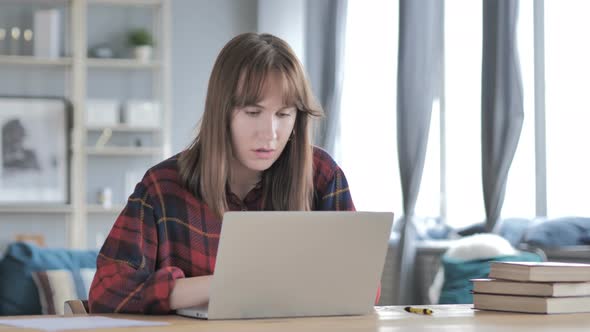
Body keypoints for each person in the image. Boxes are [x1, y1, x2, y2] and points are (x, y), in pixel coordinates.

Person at [89, 32, 372, 314]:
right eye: (252, 112)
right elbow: (107, 290)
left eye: (284, 114)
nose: (270, 133)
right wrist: (221, 286)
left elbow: (363, 285)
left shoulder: (321, 175)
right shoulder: (163, 187)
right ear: (221, 112)